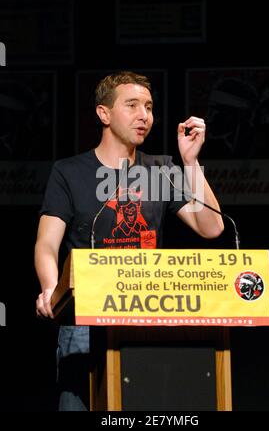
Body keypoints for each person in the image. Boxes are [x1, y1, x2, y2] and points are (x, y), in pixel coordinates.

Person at [34, 71, 224, 411]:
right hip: (84, 322)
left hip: (145, 322)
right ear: (103, 114)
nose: (144, 116)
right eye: (132, 105)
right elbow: (47, 243)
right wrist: (51, 288)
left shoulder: (162, 170)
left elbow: (211, 227)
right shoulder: (69, 171)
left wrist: (191, 162)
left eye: (149, 107)